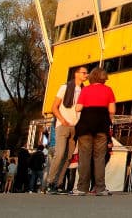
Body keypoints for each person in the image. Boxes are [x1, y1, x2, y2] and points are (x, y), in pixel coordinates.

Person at [73, 67, 116, 196]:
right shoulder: (108, 90)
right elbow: (112, 110)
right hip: (102, 126)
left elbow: (78, 108)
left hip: (85, 126)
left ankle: (82, 188)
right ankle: (100, 188)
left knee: (84, 157)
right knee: (99, 158)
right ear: (103, 78)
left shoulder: (86, 89)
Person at [47, 65, 88, 193]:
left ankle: (58, 184)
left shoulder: (84, 91)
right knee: (59, 154)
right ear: (76, 74)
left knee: (68, 157)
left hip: (75, 127)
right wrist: (62, 120)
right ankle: (50, 182)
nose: (86, 75)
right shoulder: (65, 87)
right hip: (63, 125)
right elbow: (54, 107)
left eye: (86, 73)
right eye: (83, 73)